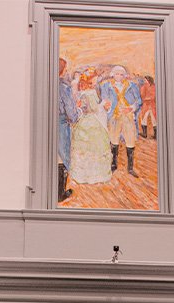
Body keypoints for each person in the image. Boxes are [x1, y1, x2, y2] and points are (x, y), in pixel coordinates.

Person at [70, 70, 112, 185]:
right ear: (90, 80)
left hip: (84, 120)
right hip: (92, 121)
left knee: (85, 149)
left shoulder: (82, 91)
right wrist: (103, 103)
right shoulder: (91, 92)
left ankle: (83, 175)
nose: (96, 80)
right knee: (95, 147)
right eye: (95, 78)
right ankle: (95, 175)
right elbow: (94, 108)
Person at [100, 65, 142, 177]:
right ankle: (113, 165)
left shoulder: (132, 85)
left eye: (121, 74)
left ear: (125, 76)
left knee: (130, 141)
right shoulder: (105, 86)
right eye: (117, 74)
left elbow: (139, 101)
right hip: (114, 116)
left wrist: (131, 108)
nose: (119, 76)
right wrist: (106, 106)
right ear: (112, 74)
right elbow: (104, 101)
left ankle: (130, 168)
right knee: (113, 141)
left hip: (128, 116)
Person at [58, 58, 78, 202]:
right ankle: (60, 193)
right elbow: (71, 113)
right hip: (61, 123)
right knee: (63, 157)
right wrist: (76, 116)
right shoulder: (64, 86)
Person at [139, 75, 156, 139]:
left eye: (145, 79)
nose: (144, 81)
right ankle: (146, 134)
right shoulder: (144, 86)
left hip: (149, 105)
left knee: (152, 119)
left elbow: (142, 96)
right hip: (149, 105)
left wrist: (147, 99)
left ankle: (150, 134)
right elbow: (142, 95)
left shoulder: (150, 87)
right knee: (146, 119)